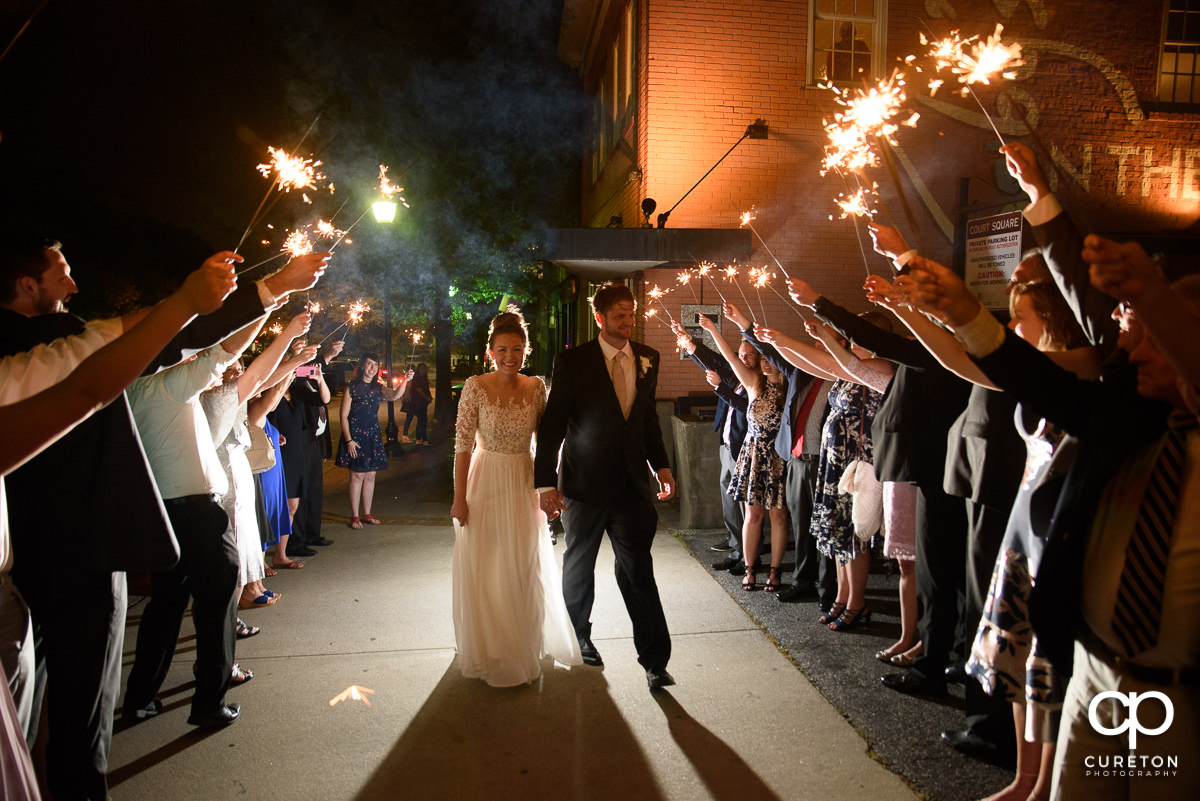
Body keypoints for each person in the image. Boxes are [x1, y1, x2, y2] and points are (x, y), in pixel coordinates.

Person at [0, 236, 327, 801]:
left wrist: (266, 301)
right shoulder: (51, 353)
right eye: (63, 273)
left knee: (30, 717)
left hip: (28, 560)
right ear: (27, 284)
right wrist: (246, 296)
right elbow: (137, 362)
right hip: (80, 548)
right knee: (78, 722)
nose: (76, 287)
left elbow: (195, 350)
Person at [903, 249, 1200, 801]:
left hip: (1179, 693)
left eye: (1151, 335)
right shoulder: (1132, 413)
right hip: (1097, 665)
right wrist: (965, 312)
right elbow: (1038, 381)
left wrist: (1153, 294)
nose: (1130, 349)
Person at [534, 282, 676, 690]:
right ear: (600, 317)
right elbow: (553, 425)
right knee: (579, 564)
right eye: (619, 315)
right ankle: (579, 637)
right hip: (585, 484)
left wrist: (661, 466)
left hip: (633, 487)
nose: (627, 322)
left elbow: (647, 420)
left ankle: (654, 659)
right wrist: (545, 483)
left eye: (631, 315)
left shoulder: (649, 358)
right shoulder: (574, 361)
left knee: (638, 571)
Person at [449, 311, 582, 686]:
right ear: (490, 351)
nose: (511, 356)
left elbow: (547, 443)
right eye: (504, 349)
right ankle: (492, 649)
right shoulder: (475, 386)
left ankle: (520, 648)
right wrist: (460, 498)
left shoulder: (536, 386)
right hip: (485, 480)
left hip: (524, 480)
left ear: (526, 350)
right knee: (489, 568)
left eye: (518, 349)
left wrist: (548, 488)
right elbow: (461, 446)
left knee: (523, 565)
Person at [695, 311, 788, 593]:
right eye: (763, 359)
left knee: (778, 517)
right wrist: (712, 329)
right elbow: (731, 358)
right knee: (752, 515)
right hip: (753, 454)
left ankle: (775, 572)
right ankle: (750, 570)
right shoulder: (753, 383)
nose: (766, 363)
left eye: (771, 359)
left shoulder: (790, 387)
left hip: (777, 457)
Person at [667, 317, 752, 575]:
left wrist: (720, 388)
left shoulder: (753, 382)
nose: (743, 359)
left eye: (749, 355)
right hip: (726, 444)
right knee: (728, 498)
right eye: (741, 354)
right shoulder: (732, 374)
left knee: (741, 502)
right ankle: (734, 541)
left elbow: (747, 409)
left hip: (742, 448)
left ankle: (745, 552)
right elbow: (711, 360)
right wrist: (688, 341)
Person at [336, 353, 412, 528]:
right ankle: (355, 516)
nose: (372, 368)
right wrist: (348, 440)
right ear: (362, 366)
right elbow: (343, 415)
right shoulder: (351, 387)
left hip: (373, 435)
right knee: (357, 476)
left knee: (370, 475)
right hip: (355, 436)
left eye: (375, 365)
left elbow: (394, 396)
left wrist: (405, 380)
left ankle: (367, 513)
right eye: (369, 364)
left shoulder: (378, 387)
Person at [402, 362, 432, 445]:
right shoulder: (417, 379)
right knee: (422, 420)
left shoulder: (424, 379)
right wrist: (427, 397)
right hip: (417, 403)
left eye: (424, 369)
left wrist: (429, 397)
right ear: (418, 370)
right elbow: (419, 390)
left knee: (421, 421)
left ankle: (419, 439)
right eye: (421, 368)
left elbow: (426, 389)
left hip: (422, 403)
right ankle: (422, 439)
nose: (423, 370)